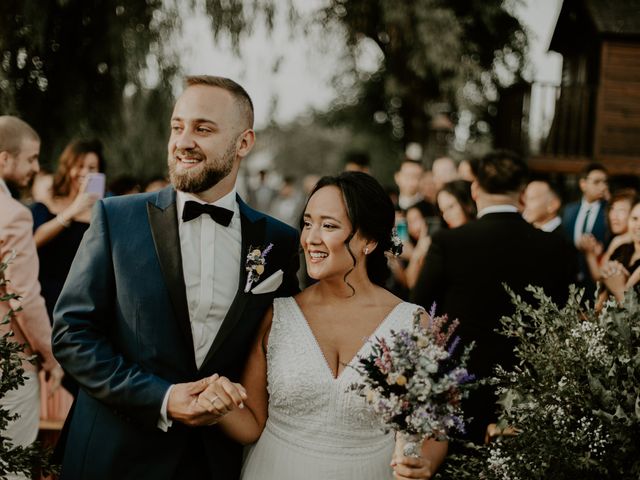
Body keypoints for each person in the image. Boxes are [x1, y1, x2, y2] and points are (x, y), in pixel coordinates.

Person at [52, 75, 300, 479]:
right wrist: (164, 398)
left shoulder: (278, 242)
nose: (183, 140)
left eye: (203, 128)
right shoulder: (116, 218)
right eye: (177, 126)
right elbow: (71, 335)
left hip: (214, 462)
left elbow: (280, 351)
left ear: (244, 143)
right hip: (115, 457)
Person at [196, 171, 448, 480]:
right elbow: (251, 424)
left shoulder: (412, 323)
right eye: (307, 223)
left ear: (368, 240)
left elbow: (436, 426)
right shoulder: (279, 315)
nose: (310, 238)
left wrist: (423, 463)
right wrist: (215, 400)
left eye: (328, 226)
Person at [411, 150, 575, 444]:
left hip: (459, 383)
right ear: (522, 194)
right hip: (525, 386)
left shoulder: (450, 242)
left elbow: (420, 305)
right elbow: (563, 314)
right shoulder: (555, 246)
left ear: (474, 189)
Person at [0, 116, 63, 480]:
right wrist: (52, 358)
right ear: (5, 159)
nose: (36, 168)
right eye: (30, 159)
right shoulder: (13, 216)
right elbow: (24, 296)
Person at [31, 139, 105, 320]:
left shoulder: (103, 210)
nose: (85, 173)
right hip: (46, 296)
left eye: (92, 168)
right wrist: (73, 210)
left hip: (85, 299)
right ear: (67, 167)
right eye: (79, 166)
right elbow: (32, 241)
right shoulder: (46, 204)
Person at [561, 163, 609, 297]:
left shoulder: (608, 211)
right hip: (569, 280)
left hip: (596, 281)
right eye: (597, 182)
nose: (603, 186)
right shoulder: (569, 210)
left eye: (605, 182)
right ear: (583, 184)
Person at [598, 195, 640, 303]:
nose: (638, 225)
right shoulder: (622, 249)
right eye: (635, 219)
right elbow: (600, 304)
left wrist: (619, 289)